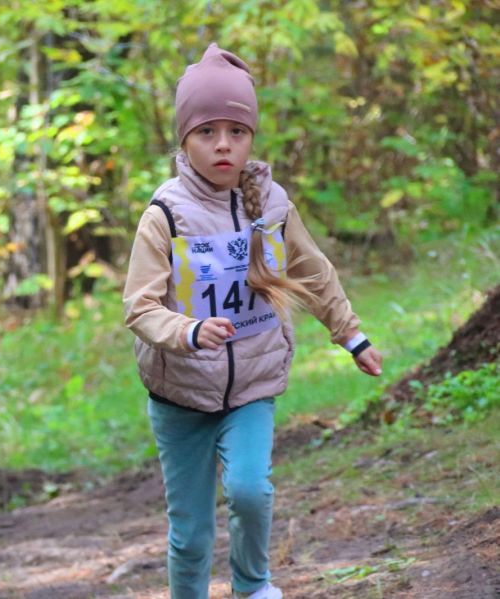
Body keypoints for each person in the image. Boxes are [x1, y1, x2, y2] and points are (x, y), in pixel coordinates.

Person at [123, 44, 383, 599]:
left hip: (253, 385)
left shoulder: (271, 204)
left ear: (251, 138)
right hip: (179, 395)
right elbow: (140, 308)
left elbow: (313, 270)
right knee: (190, 535)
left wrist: (350, 335)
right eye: (207, 132)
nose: (223, 144)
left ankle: (252, 586)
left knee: (249, 491)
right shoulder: (164, 215)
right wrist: (188, 331)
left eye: (236, 132)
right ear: (184, 140)